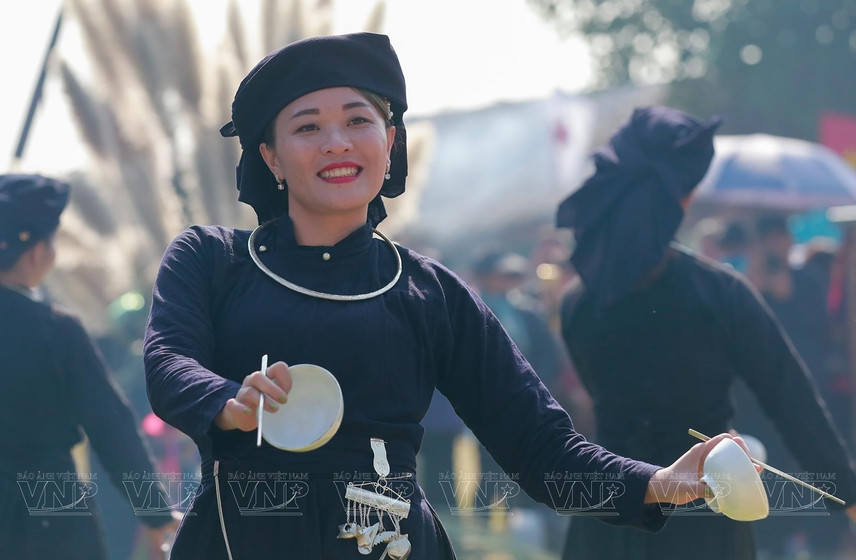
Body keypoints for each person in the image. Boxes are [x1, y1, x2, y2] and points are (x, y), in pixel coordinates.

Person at [143, 33, 747, 560]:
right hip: (241, 541)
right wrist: (229, 399)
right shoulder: (213, 259)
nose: (336, 142)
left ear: (390, 140)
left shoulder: (430, 292)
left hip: (388, 546)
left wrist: (661, 482)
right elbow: (167, 363)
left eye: (358, 120)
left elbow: (539, 447)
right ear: (270, 157)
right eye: (307, 127)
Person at [555, 106, 856, 560]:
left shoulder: (578, 300)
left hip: (608, 507)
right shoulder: (720, 292)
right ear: (684, 198)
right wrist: (847, 493)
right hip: (704, 509)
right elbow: (789, 397)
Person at [0, 175, 178, 560]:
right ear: (38, 252)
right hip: (56, 530)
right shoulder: (56, 330)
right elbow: (112, 430)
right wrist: (156, 514)